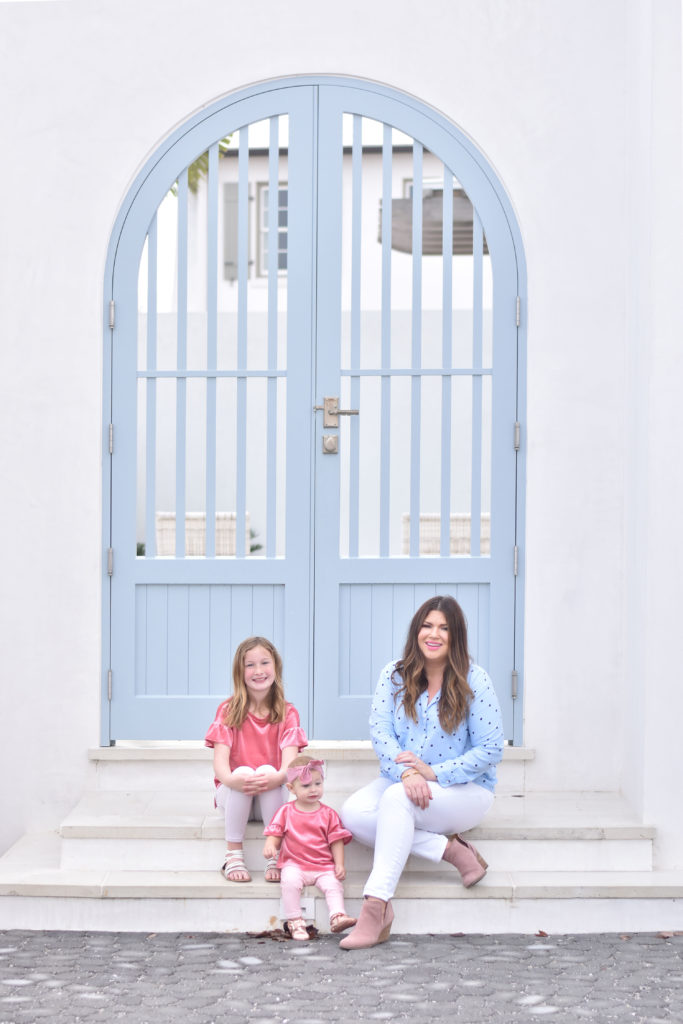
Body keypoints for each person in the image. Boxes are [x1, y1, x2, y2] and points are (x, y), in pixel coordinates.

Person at [339, 595, 504, 949]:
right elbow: (381, 733)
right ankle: (451, 851)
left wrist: (433, 773)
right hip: (403, 779)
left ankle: (376, 907)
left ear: (455, 636)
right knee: (351, 814)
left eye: (444, 628)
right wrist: (406, 774)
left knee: (396, 801)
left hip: (466, 789)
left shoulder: (475, 679)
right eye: (428, 626)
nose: (434, 634)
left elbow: (491, 750)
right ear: (417, 631)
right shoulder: (394, 675)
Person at [204, 636, 307, 883]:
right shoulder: (228, 710)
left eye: (264, 663)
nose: (258, 671)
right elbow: (220, 765)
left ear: (276, 667)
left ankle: (276, 854)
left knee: (267, 770)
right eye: (250, 665)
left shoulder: (288, 712)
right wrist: (233, 780)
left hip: (268, 799)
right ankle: (234, 853)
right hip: (234, 795)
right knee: (243, 773)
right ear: (240, 672)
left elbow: (288, 767)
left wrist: (274, 778)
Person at [263, 755, 357, 940]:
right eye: (306, 786)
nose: (313, 789)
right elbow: (275, 833)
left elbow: (336, 841)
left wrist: (339, 864)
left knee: (333, 885)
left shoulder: (328, 814)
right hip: (294, 864)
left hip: (323, 866)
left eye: (317, 783)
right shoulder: (286, 811)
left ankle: (337, 915)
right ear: (291, 788)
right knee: (289, 882)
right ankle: (295, 920)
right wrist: (270, 846)